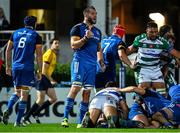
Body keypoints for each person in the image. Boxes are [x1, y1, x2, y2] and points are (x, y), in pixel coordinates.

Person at [61, 6, 104, 128]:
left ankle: (80, 122)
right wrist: (85, 38)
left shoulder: (97, 31)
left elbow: (98, 48)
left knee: (87, 93)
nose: (95, 16)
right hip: (80, 62)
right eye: (93, 14)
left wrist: (101, 61)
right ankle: (65, 118)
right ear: (86, 15)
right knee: (75, 88)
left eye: (95, 14)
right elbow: (73, 45)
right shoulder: (77, 28)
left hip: (92, 65)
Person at [2, 16, 43, 127]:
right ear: (35, 24)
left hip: (16, 67)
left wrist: (8, 66)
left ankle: (8, 109)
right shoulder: (36, 36)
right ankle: (18, 121)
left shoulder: (15, 33)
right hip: (27, 68)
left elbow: (8, 50)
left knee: (17, 92)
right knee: (24, 94)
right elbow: (39, 55)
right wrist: (40, 70)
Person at [127, 21, 180, 95]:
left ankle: (162, 105)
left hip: (156, 69)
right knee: (143, 91)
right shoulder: (140, 39)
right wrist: (121, 52)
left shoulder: (162, 41)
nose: (154, 34)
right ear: (146, 31)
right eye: (151, 32)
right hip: (142, 69)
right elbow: (128, 51)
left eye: (155, 32)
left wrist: (174, 60)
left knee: (162, 92)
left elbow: (175, 53)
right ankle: (137, 100)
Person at [22, 38, 59, 124]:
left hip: (45, 78)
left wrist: (50, 79)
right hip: (41, 77)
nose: (57, 45)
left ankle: (36, 113)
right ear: (51, 44)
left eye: (58, 43)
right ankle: (26, 117)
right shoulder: (49, 53)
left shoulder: (53, 54)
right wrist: (51, 80)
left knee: (53, 98)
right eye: (55, 43)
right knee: (40, 99)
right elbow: (44, 70)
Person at [95, 25, 134, 89]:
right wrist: (131, 65)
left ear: (113, 32)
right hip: (109, 71)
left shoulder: (103, 40)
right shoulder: (119, 42)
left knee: (99, 93)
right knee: (109, 93)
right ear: (122, 34)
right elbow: (121, 55)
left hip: (97, 70)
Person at [159, 25, 180, 89]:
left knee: (167, 87)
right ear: (167, 32)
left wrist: (176, 60)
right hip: (163, 66)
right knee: (172, 86)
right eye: (171, 31)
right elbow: (159, 55)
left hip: (168, 66)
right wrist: (170, 61)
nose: (172, 33)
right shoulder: (162, 41)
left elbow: (172, 53)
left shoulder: (168, 39)